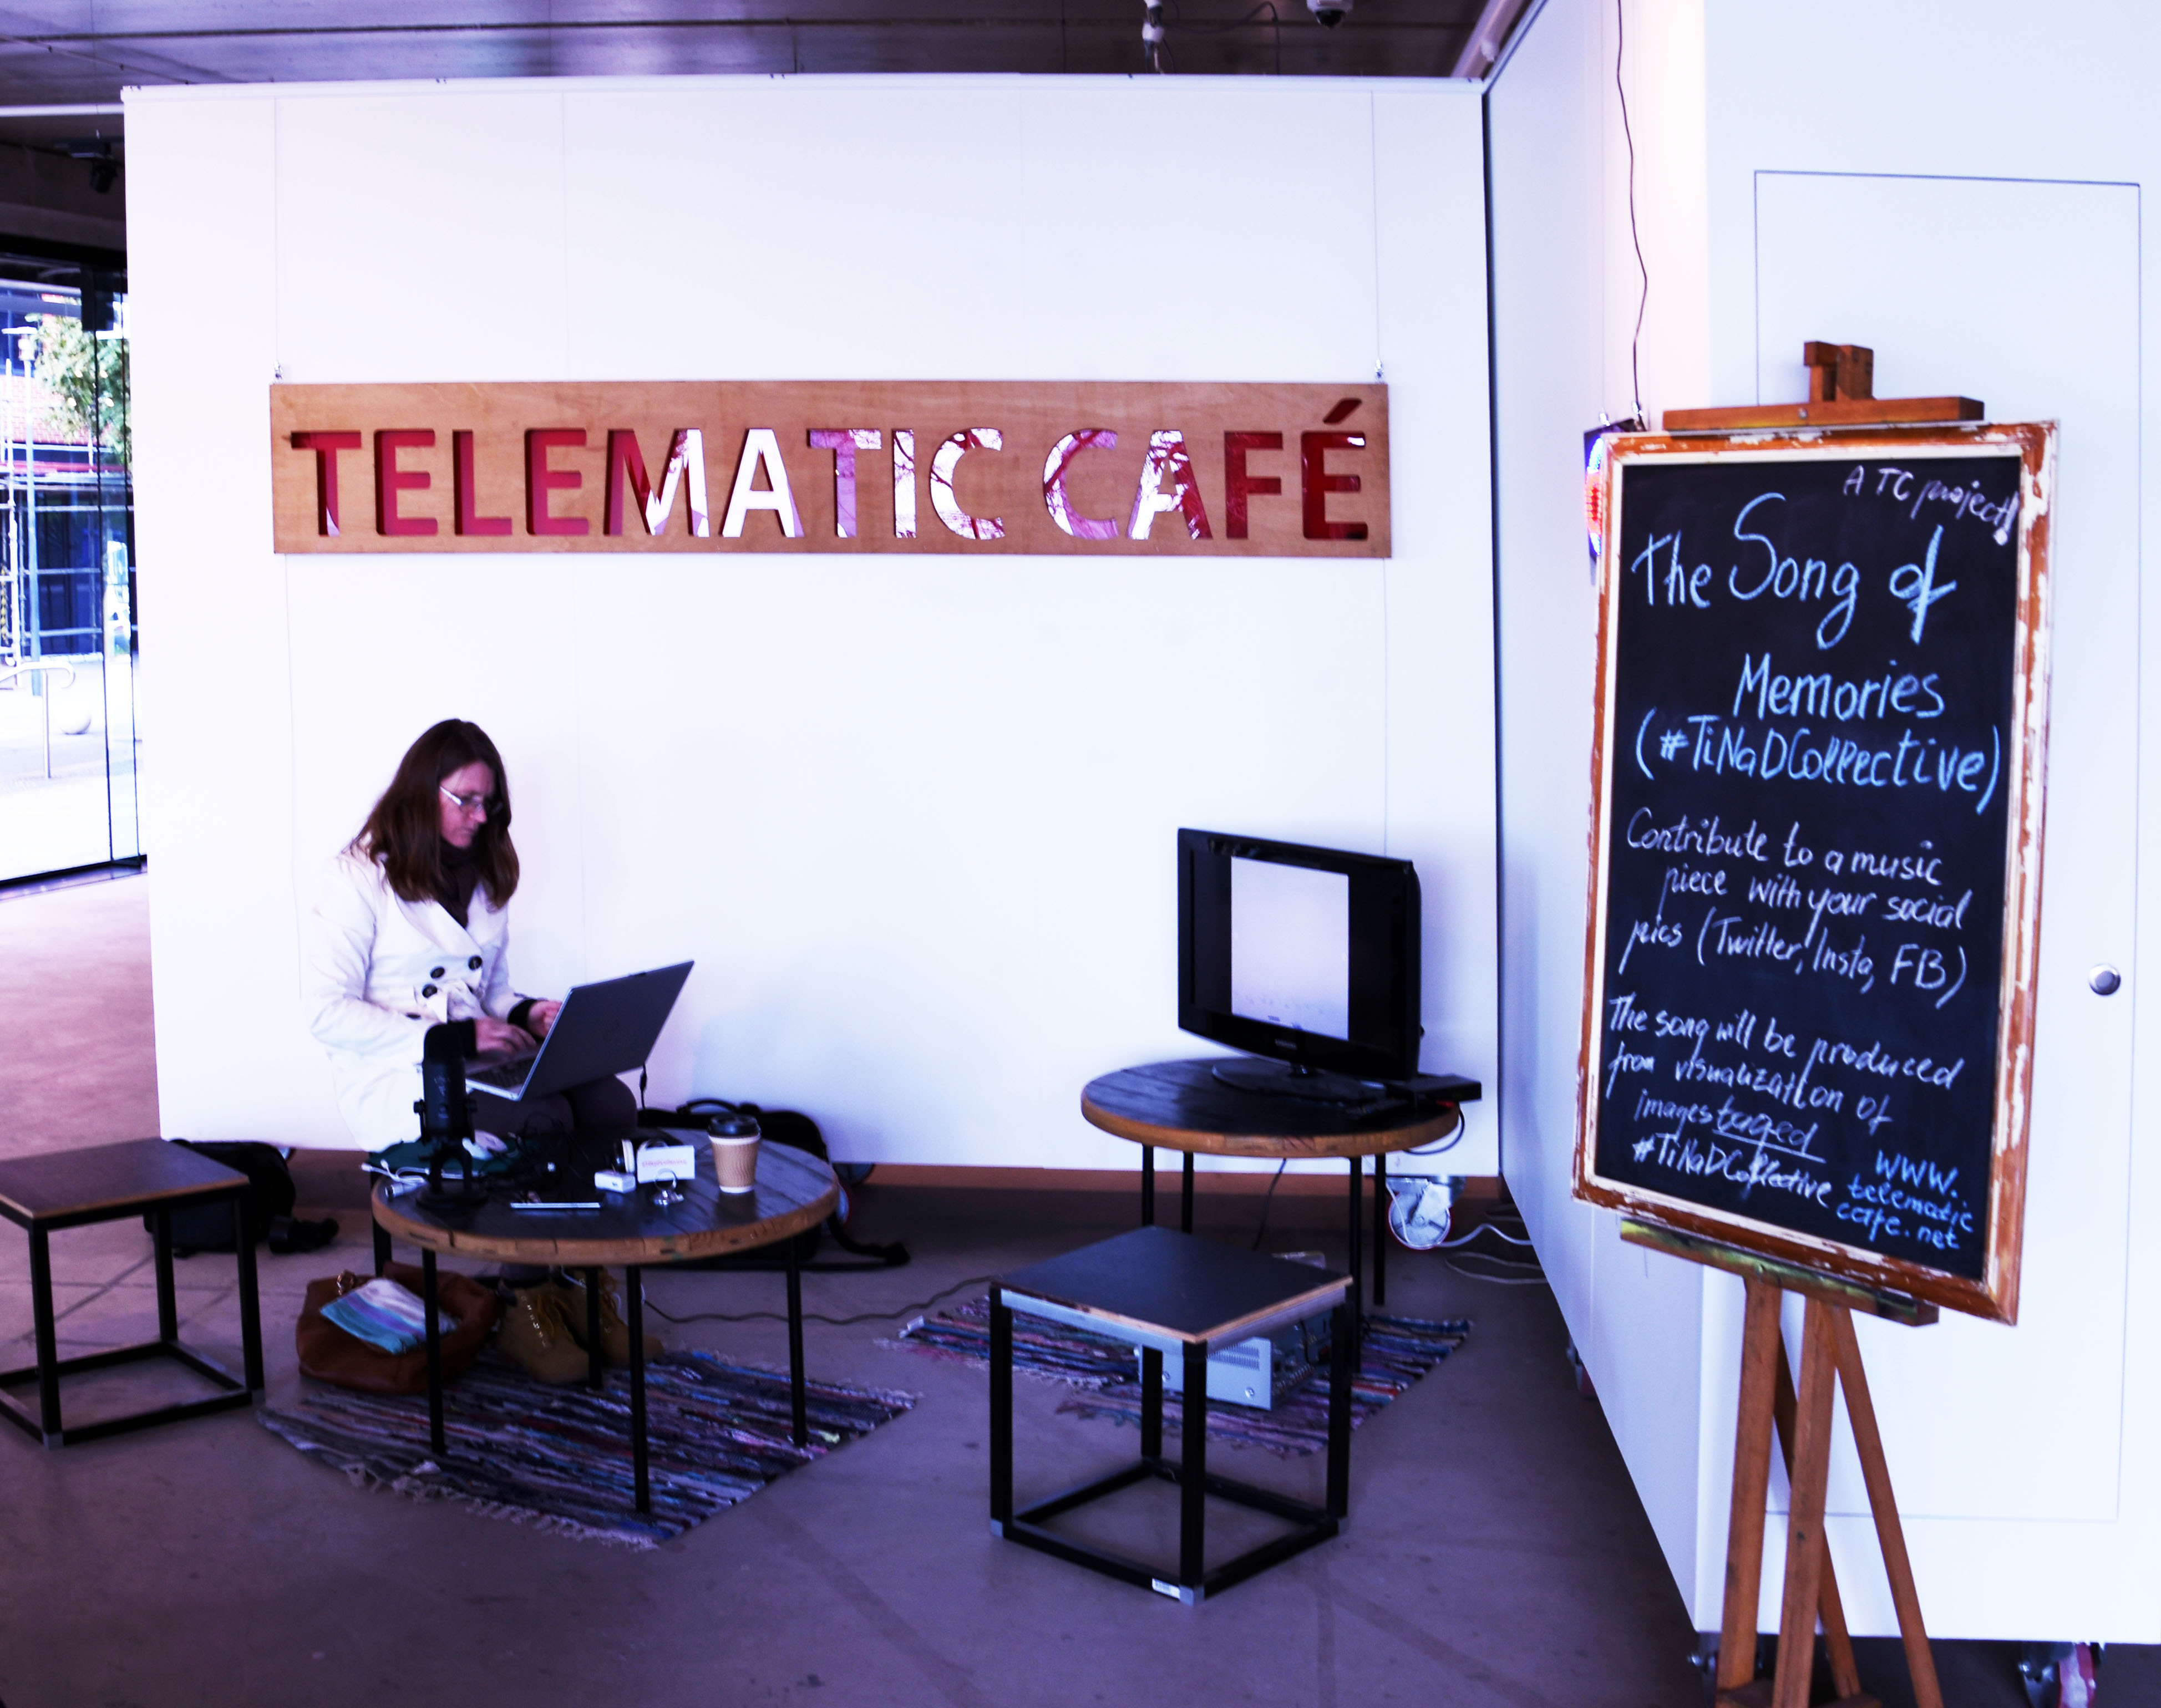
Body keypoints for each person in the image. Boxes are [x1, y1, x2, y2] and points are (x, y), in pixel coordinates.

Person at [303, 718, 637, 1160]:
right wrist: (455, 1040)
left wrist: (526, 1015)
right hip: (399, 1071)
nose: (480, 818)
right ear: (421, 793)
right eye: (466, 801)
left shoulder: (485, 874)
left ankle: (605, 1203)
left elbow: (491, 991)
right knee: (547, 1116)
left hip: (478, 1056)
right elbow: (327, 1013)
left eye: (488, 804)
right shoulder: (354, 878)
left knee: (611, 1104)